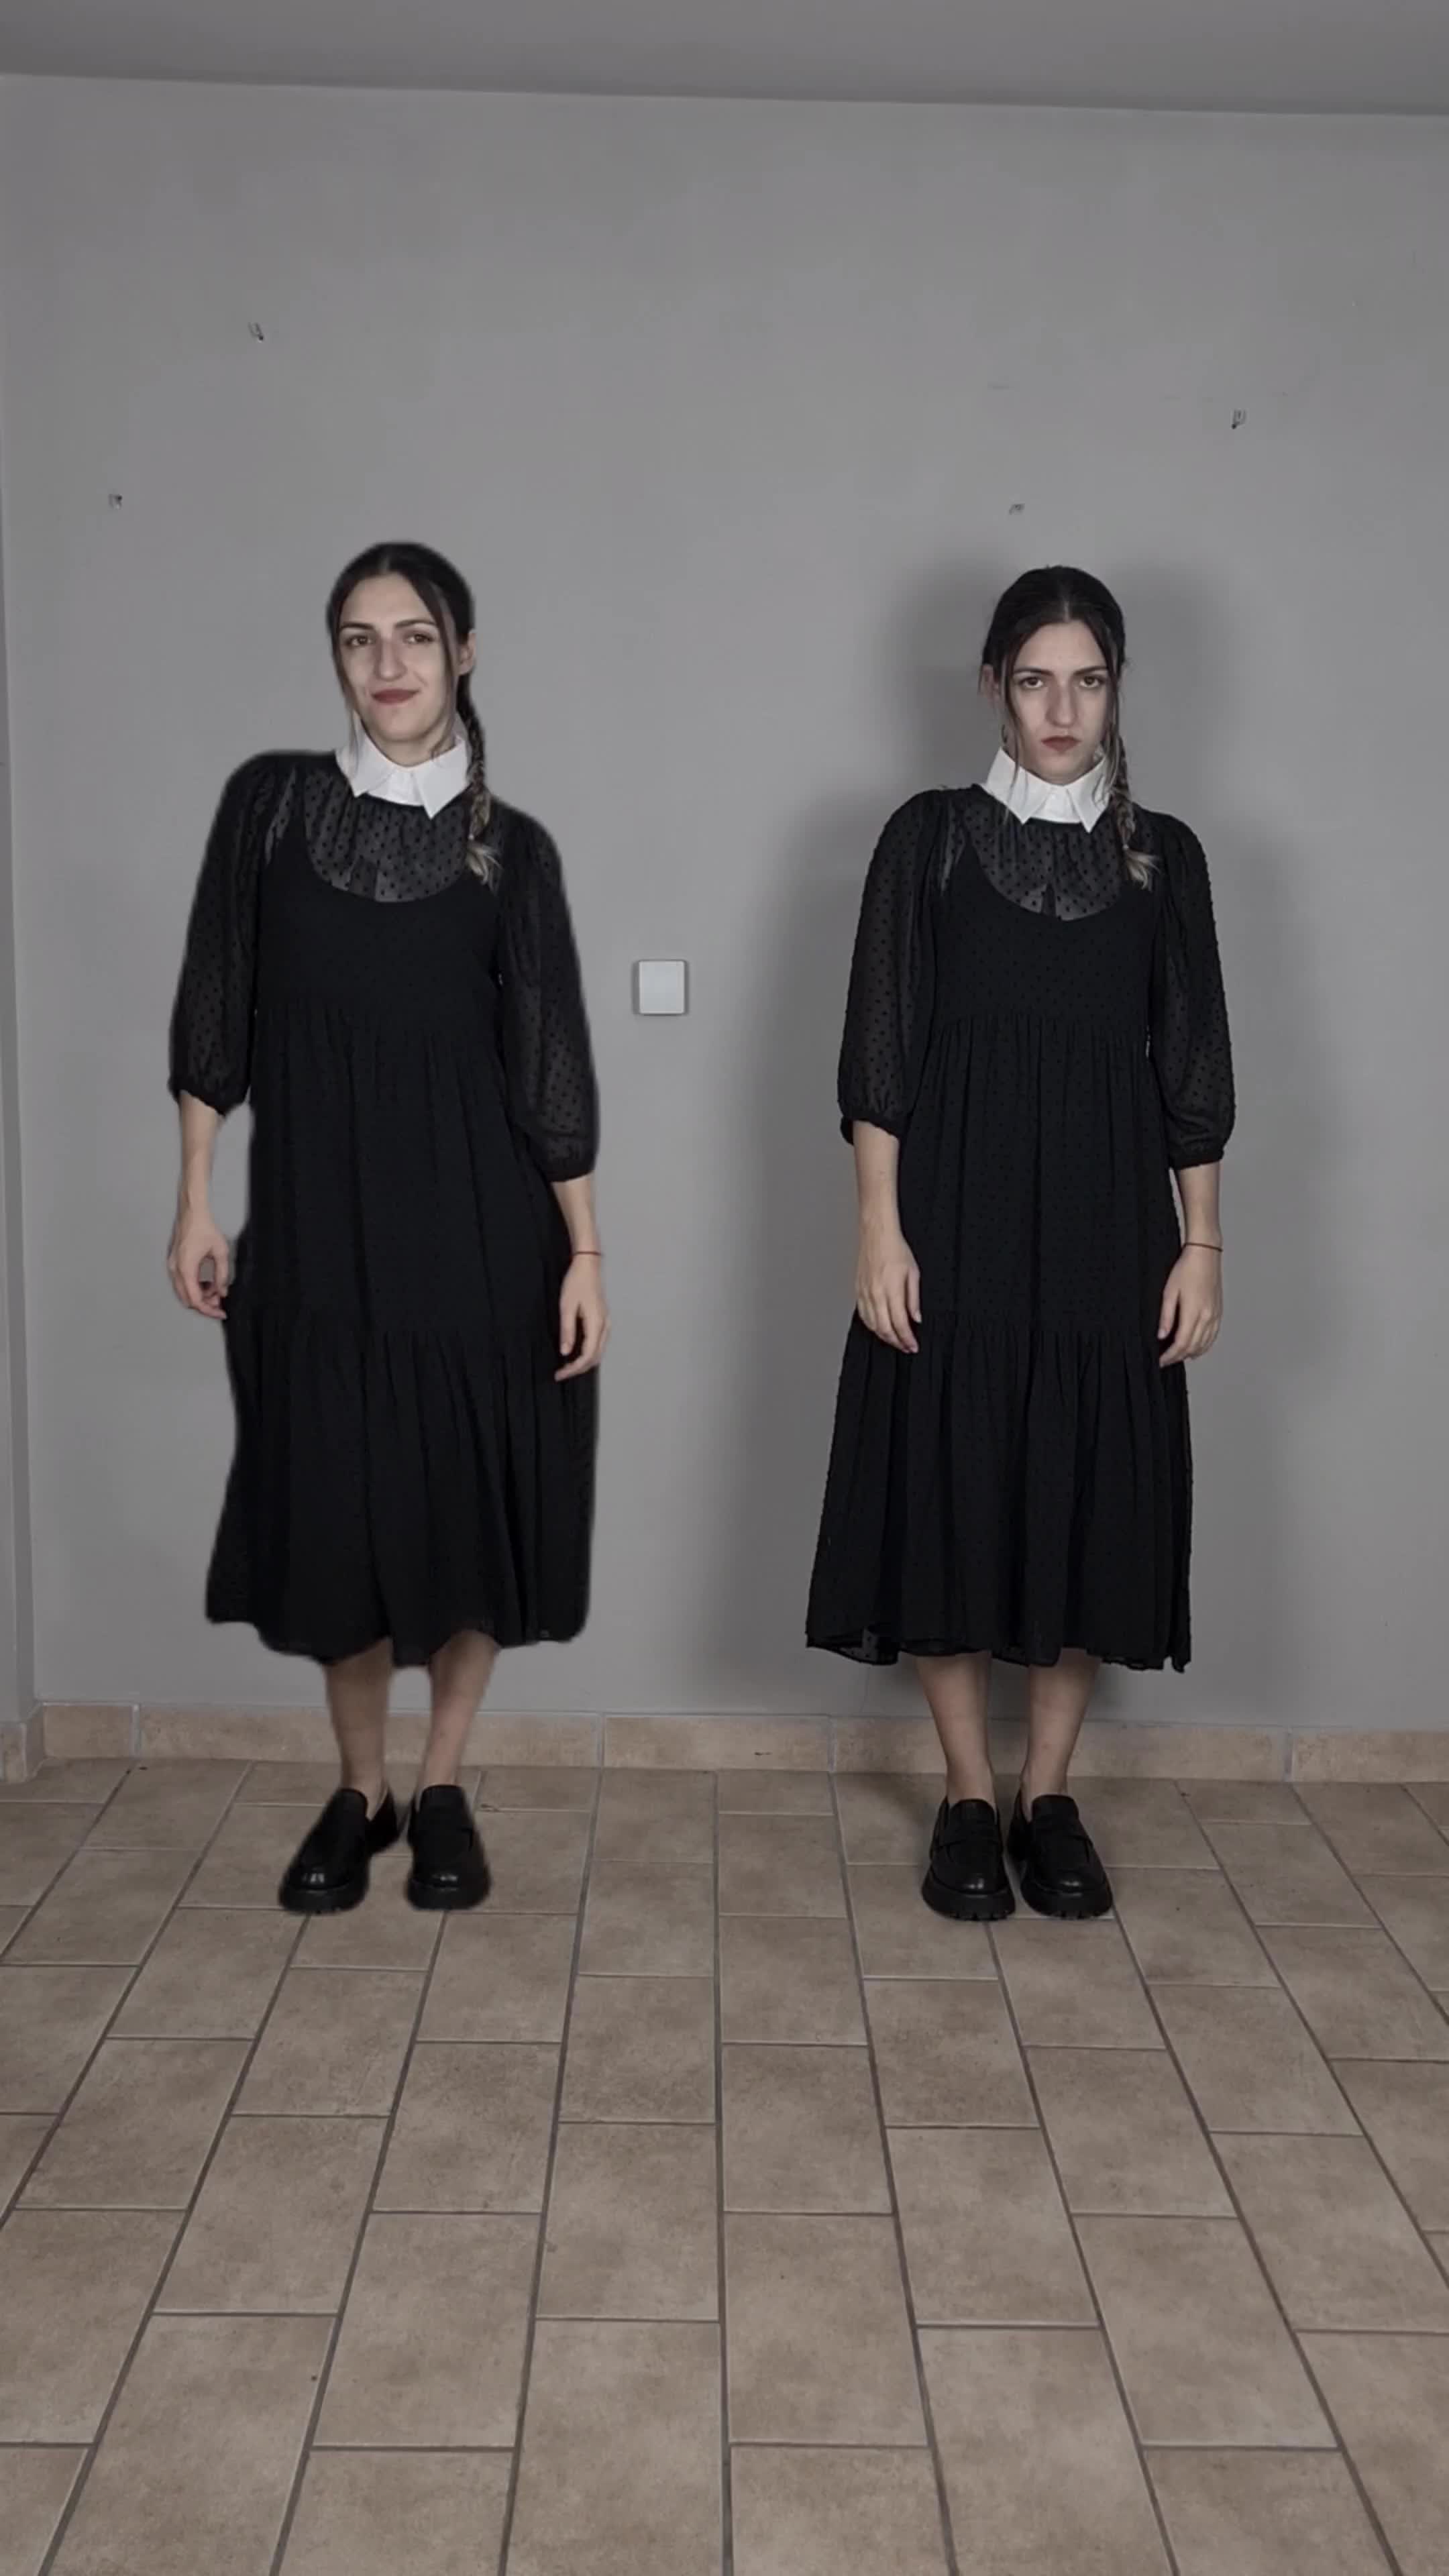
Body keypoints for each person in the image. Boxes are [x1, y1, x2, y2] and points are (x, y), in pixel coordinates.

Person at [167, 541, 605, 1915]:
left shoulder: (511, 852)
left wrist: (586, 1254)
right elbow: (216, 1005)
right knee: (333, 1521)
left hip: (482, 1243)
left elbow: (550, 1068)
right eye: (360, 640)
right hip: (317, 1239)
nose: (389, 664)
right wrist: (196, 1194)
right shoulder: (271, 810)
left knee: (466, 1514)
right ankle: (361, 1794)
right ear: (338, 662)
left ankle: (445, 1785)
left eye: (415, 635)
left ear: (463, 652)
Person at [808, 567, 1234, 1921]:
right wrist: (878, 1229)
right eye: (1037, 680)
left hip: (1109, 1227)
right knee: (950, 1484)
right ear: (993, 684)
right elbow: (879, 1054)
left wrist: (1203, 1243)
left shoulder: (1164, 858)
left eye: (1088, 682)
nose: (1062, 709)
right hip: (954, 1218)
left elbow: (1194, 1066)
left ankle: (1049, 1798)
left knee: (1087, 1496)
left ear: (1116, 691)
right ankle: (964, 1796)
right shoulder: (928, 839)